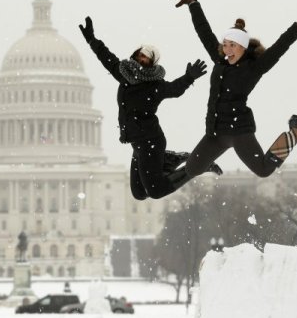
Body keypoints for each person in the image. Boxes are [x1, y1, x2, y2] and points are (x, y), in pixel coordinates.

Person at [174, 0, 297, 178]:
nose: (228, 50)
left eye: (233, 45)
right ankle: (207, 163)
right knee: (192, 169)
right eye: (225, 45)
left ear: (243, 48)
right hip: (215, 132)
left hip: (239, 131)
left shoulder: (255, 67)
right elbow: (204, 32)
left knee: (263, 170)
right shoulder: (220, 60)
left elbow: (280, 47)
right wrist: (193, 4)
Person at [79, 16, 222, 200]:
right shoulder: (124, 74)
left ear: (152, 63)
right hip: (136, 143)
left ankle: (199, 165)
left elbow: (174, 89)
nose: (142, 59)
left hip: (150, 142)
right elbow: (106, 57)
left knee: (156, 191)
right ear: (135, 55)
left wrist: (188, 78)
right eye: (141, 55)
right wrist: (91, 39)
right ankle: (171, 159)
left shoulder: (154, 85)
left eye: (147, 58)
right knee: (139, 194)